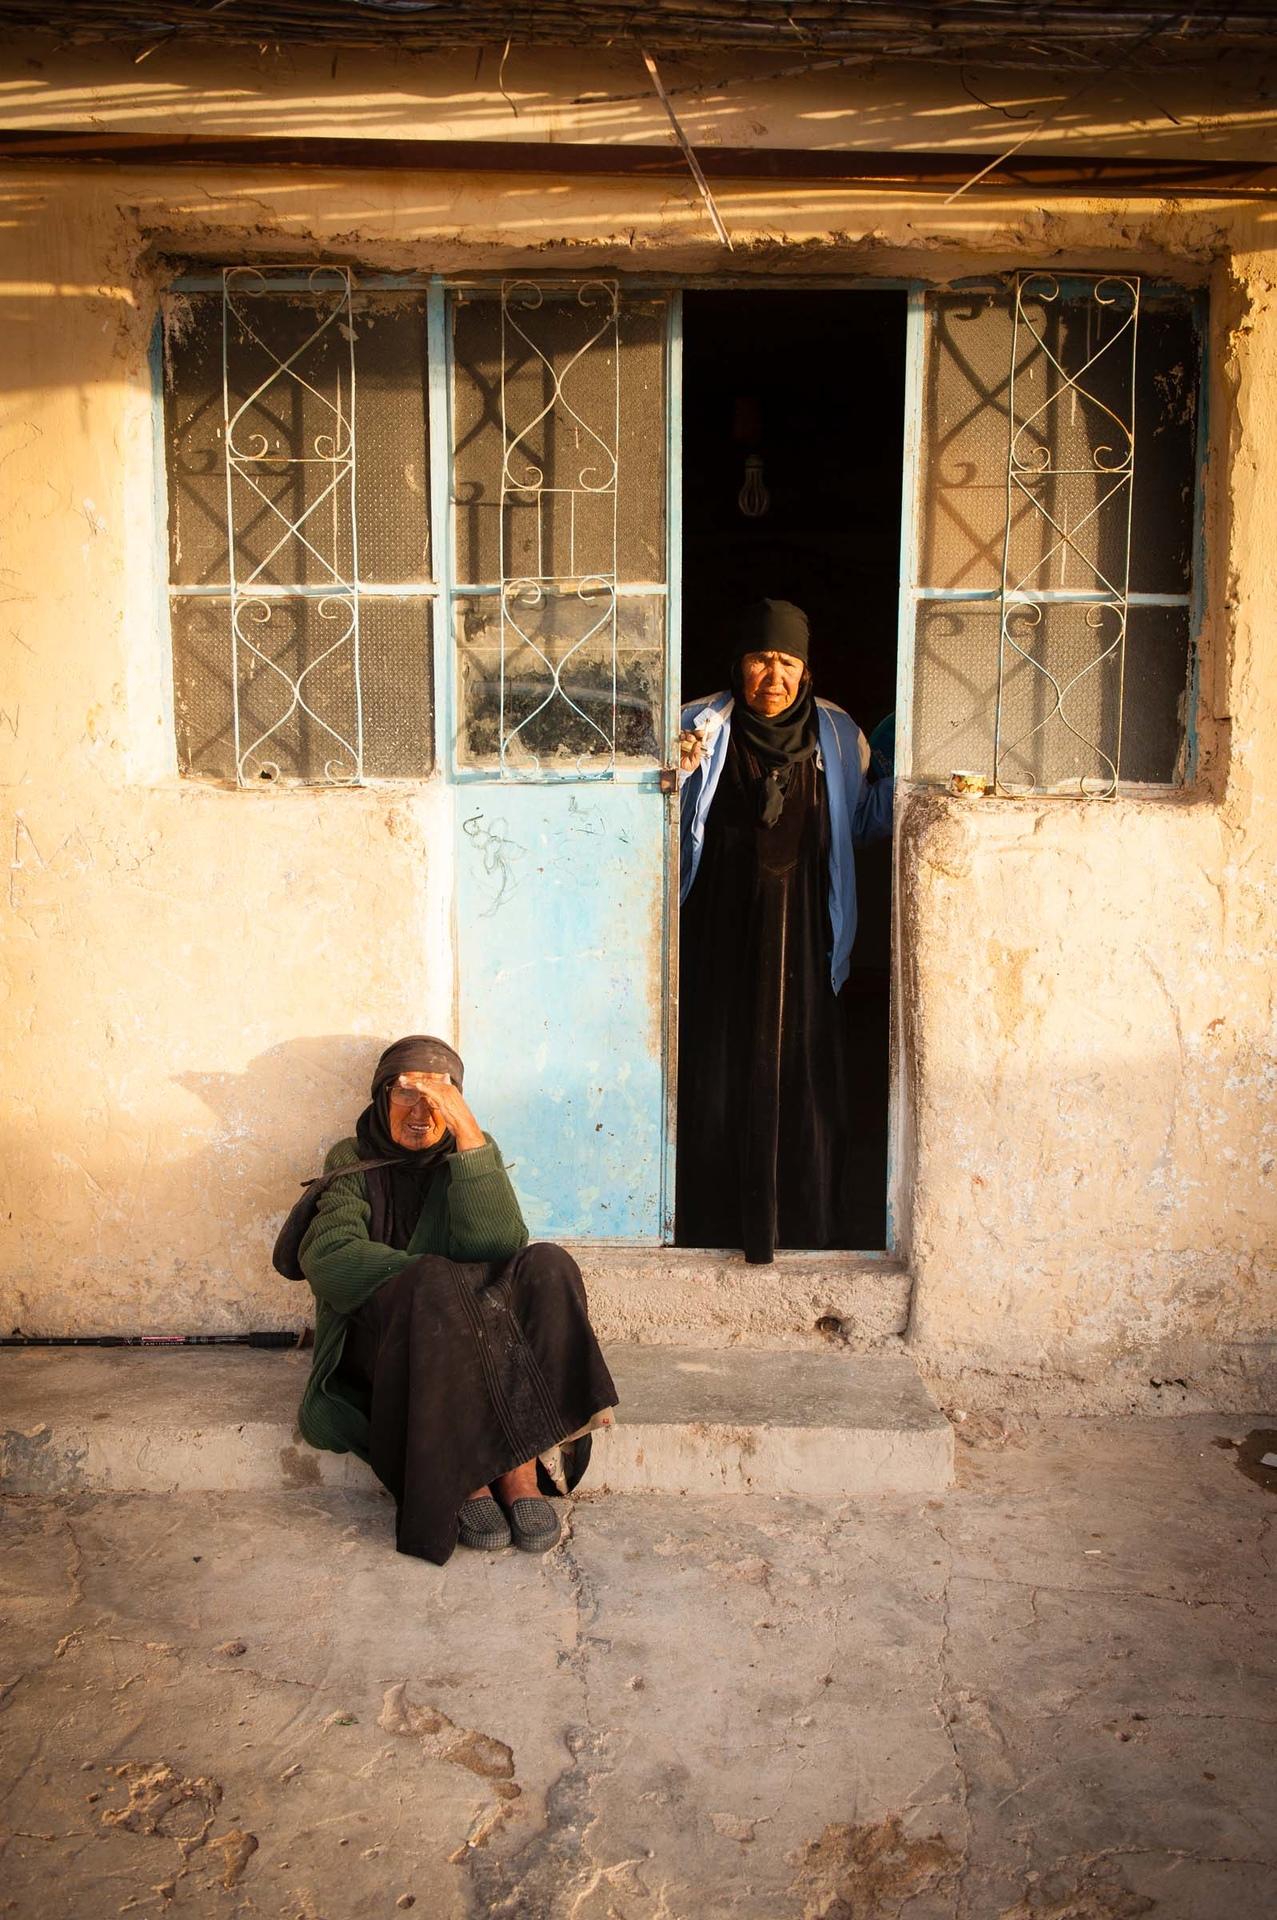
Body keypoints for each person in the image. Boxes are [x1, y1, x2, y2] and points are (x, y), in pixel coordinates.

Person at [294, 1035, 617, 1564]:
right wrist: (440, 1284)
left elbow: (499, 1248)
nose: (422, 1114)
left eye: (440, 1099)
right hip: (394, 1348)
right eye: (405, 1095)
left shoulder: (472, 1147)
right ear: (380, 1098)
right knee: (437, 1284)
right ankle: (464, 1480)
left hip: (476, 1341)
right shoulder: (352, 1157)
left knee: (547, 1262)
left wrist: (469, 1138)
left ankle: (517, 1474)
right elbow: (330, 1257)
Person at [676, 599, 893, 1265]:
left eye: (787, 662)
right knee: (716, 1066)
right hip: (717, 930)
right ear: (738, 665)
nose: (772, 675)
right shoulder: (696, 724)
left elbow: (862, 822)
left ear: (805, 671)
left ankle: (803, 1223)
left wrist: (918, 756)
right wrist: (671, 773)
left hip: (806, 929)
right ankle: (709, 1221)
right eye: (759, 659)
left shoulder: (836, 733)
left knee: (801, 1069)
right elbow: (642, 808)